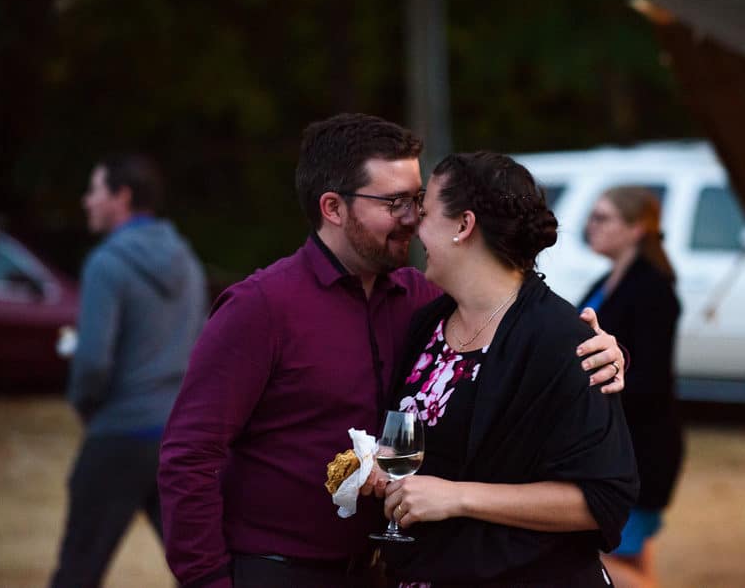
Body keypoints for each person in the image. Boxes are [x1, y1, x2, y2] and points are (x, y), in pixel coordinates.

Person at [157, 114, 626, 588]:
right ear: (334, 208)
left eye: (419, 200)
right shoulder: (260, 308)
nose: (412, 218)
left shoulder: (421, 302)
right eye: (395, 202)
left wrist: (603, 349)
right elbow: (189, 455)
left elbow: (515, 323)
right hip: (278, 569)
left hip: (384, 570)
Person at [378, 151, 639, 587]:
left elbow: (601, 500)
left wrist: (457, 497)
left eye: (424, 213)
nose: (414, 226)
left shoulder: (561, 340)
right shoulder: (429, 323)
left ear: (464, 225)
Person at [51, 154, 208, 588]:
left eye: (94, 190)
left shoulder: (107, 263)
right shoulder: (188, 263)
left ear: (121, 197)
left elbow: (94, 361)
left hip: (119, 436)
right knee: (201, 573)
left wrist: (86, 407)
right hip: (176, 438)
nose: (87, 202)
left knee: (78, 570)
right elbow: (201, 349)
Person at [580, 187, 684, 588]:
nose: (592, 226)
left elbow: (651, 380)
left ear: (637, 228)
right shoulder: (609, 278)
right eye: (592, 216)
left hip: (641, 449)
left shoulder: (653, 288)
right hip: (617, 444)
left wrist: (590, 390)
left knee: (602, 563)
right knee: (634, 563)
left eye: (603, 218)